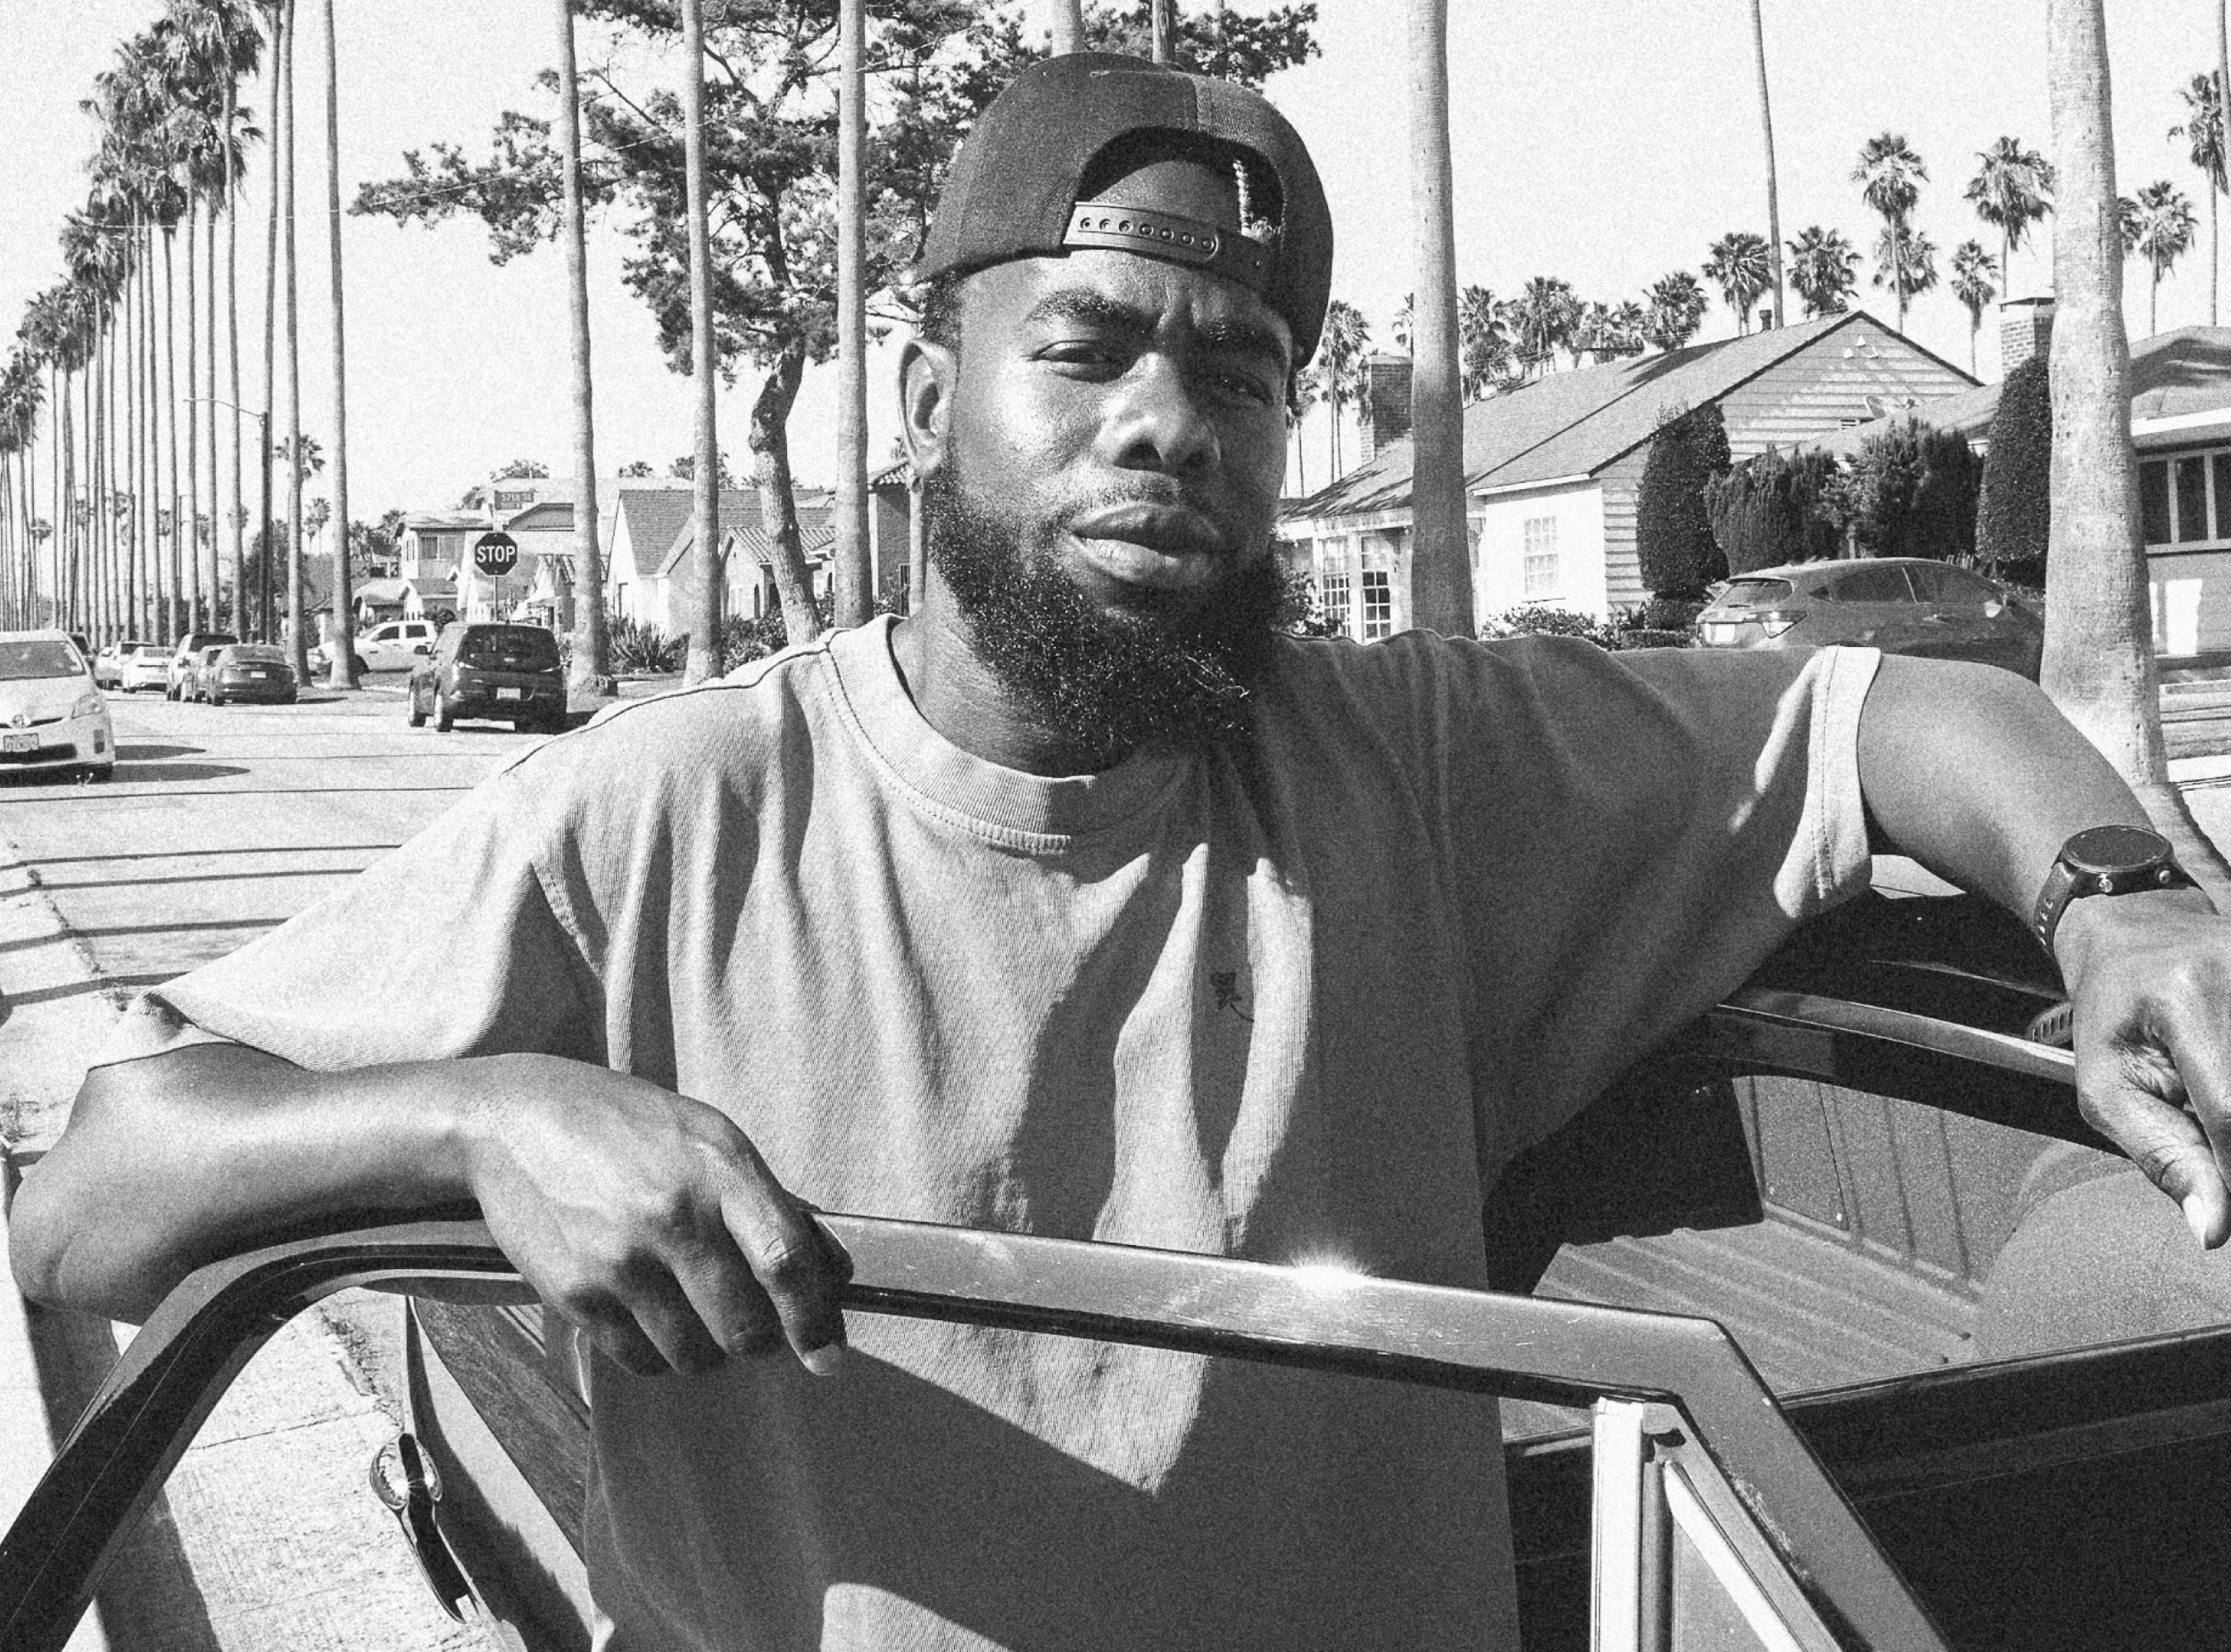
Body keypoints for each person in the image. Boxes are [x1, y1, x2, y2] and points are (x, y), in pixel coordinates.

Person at [15, 49, 2231, 1650]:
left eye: (1244, 373)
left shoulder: (1414, 761)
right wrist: (489, 1108)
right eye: (1080, 347)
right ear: (916, 404)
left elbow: (1902, 708)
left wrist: (2117, 900)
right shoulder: (658, 813)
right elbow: (104, 1186)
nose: (1167, 417)